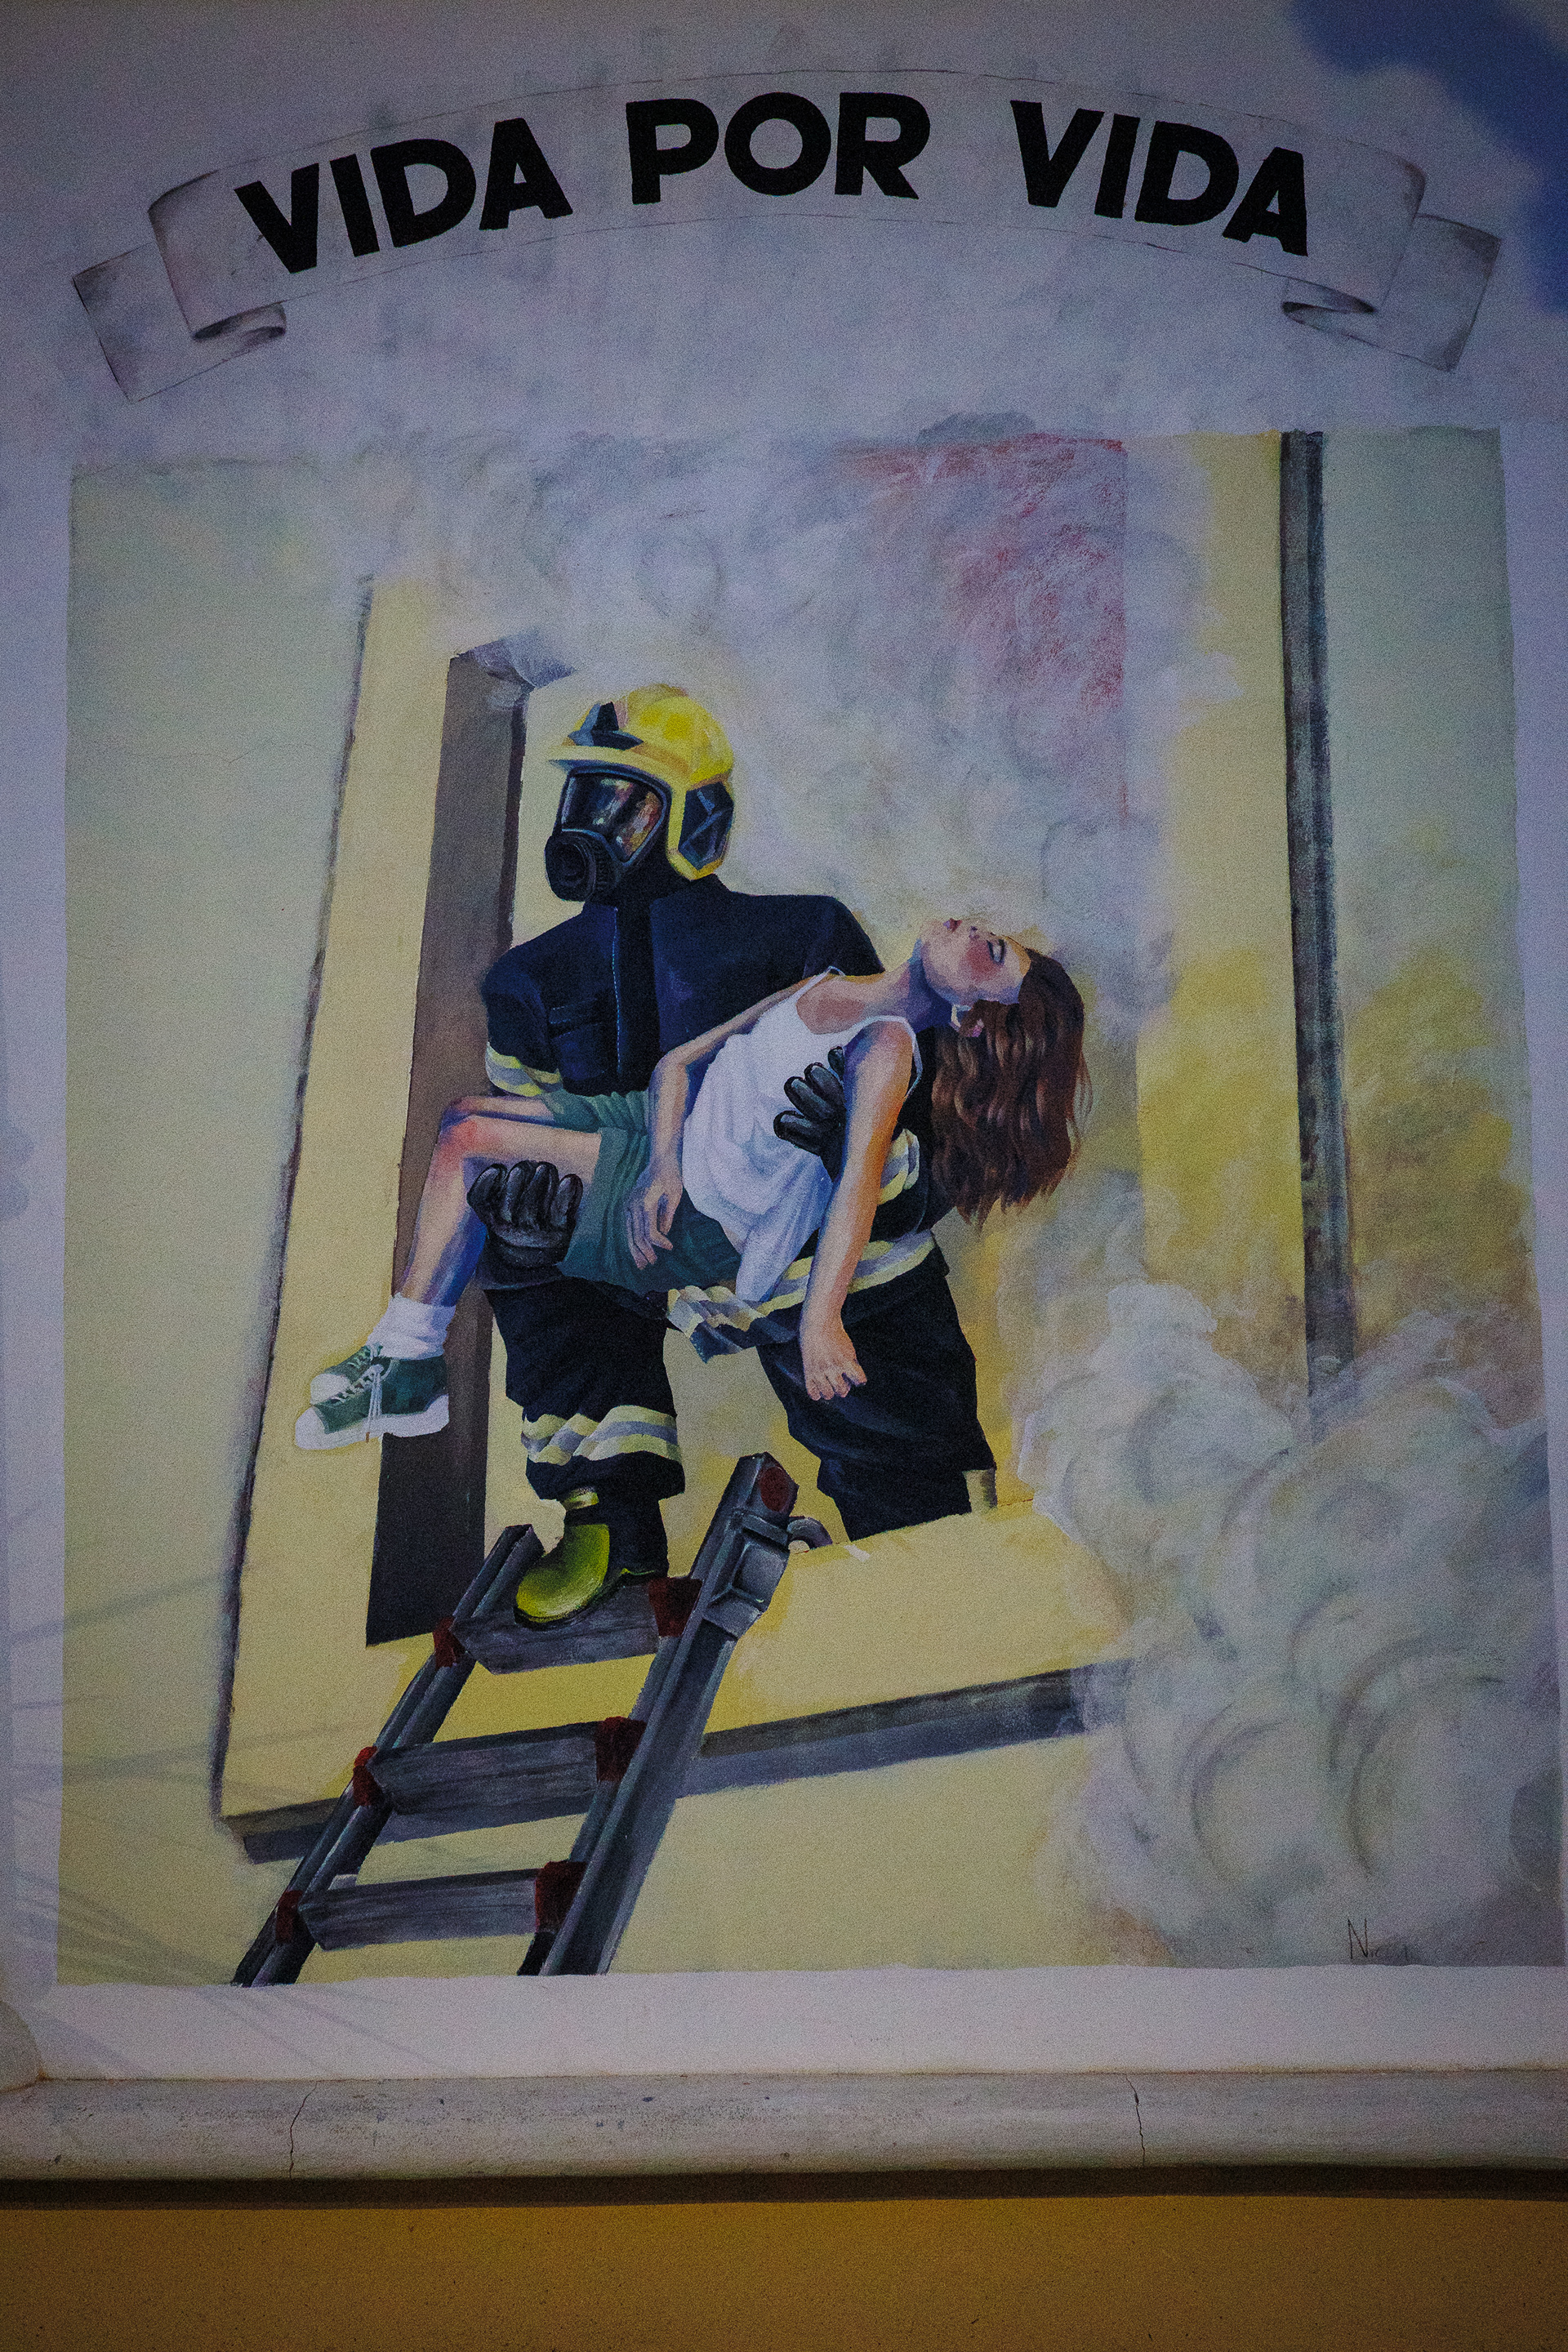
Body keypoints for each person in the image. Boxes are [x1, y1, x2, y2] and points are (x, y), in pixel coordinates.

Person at [301, 915, 1088, 1621]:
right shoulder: (821, 979)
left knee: (473, 1144)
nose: (974, 928)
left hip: (709, 1214)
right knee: (462, 1123)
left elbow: (855, 1191)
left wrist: (821, 1321)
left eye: (992, 953)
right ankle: (409, 1359)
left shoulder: (885, 1050)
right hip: (662, 1142)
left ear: (972, 1018)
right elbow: (679, 1064)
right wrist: (661, 1165)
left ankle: (408, 1362)